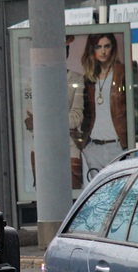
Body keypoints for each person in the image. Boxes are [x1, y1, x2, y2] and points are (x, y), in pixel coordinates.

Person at [25, 35, 85, 189]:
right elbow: (31, 112)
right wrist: (61, 119)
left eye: (62, 50)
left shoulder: (77, 79)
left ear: (67, 52)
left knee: (73, 196)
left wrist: (45, 118)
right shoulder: (32, 81)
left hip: (69, 145)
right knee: (44, 196)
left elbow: (77, 118)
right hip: (41, 146)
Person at [80, 33, 127, 182]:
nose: (103, 51)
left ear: (113, 47)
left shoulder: (122, 73)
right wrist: (85, 147)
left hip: (118, 146)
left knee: (121, 195)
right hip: (94, 147)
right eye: (98, 47)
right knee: (100, 198)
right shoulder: (89, 78)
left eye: (107, 46)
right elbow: (86, 114)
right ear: (92, 49)